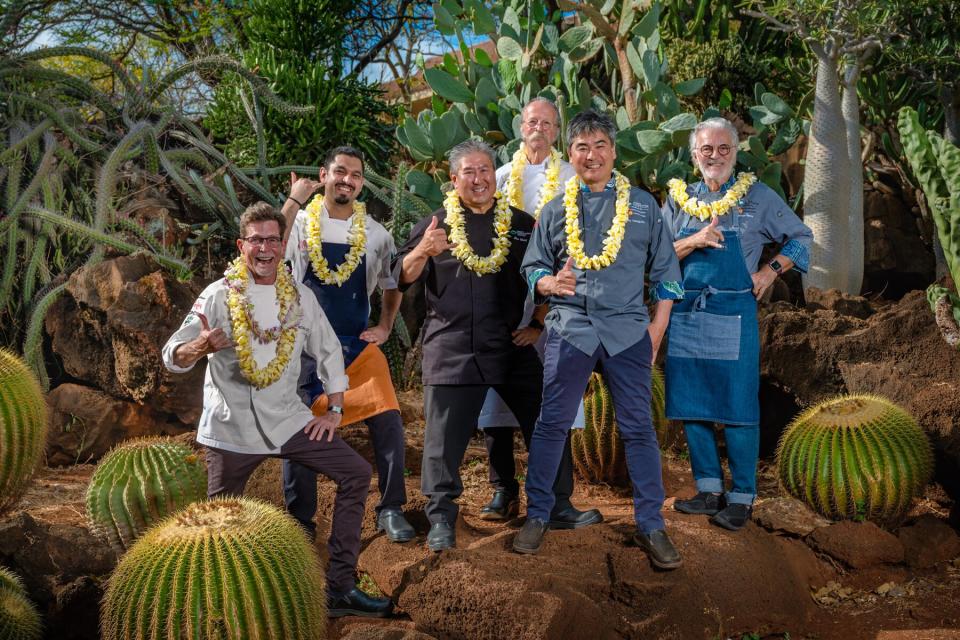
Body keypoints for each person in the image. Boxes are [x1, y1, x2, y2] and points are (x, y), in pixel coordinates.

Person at [161, 202, 393, 617]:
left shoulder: (300, 296)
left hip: (289, 420)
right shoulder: (216, 296)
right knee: (218, 524)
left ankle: (340, 587)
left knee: (356, 473)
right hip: (231, 429)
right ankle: (219, 607)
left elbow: (327, 351)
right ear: (241, 245)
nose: (265, 248)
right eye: (256, 240)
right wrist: (200, 346)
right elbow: (172, 355)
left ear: (284, 245)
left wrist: (334, 410)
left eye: (272, 239)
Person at [393, 139, 600, 552]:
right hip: (452, 347)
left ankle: (557, 505)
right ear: (453, 181)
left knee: (547, 419)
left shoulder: (522, 223)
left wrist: (539, 323)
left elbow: (549, 270)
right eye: (468, 172)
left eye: (485, 170)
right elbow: (400, 277)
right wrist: (422, 250)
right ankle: (441, 519)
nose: (479, 179)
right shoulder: (435, 225)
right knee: (442, 441)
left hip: (509, 342)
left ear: (495, 174)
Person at [514, 110, 684, 570]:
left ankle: (651, 525)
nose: (591, 155)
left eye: (600, 146)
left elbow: (668, 274)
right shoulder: (553, 210)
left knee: (638, 429)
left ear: (613, 151)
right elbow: (531, 267)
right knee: (551, 425)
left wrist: (656, 330)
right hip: (569, 331)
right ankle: (538, 515)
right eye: (581, 148)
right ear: (570, 155)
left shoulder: (645, 206)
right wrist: (548, 285)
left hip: (628, 332)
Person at [663, 117, 813, 531]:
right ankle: (709, 491)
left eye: (723, 148)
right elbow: (656, 256)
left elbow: (801, 237)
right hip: (687, 311)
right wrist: (692, 240)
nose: (715, 156)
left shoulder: (760, 198)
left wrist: (769, 273)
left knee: (739, 407)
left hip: (734, 312)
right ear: (695, 155)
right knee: (691, 405)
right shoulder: (677, 200)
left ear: (735, 152)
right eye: (706, 149)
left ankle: (742, 496)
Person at [281, 147, 414, 544]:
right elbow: (273, 241)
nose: (347, 180)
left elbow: (394, 283)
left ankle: (390, 508)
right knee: (300, 427)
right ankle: (300, 521)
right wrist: (293, 201)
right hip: (307, 347)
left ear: (361, 183)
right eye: (340, 171)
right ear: (324, 174)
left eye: (355, 174)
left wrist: (386, 326)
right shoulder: (303, 222)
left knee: (389, 419)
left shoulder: (376, 233)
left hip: (356, 345)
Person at [477, 97, 579, 521]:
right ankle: (504, 489)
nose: (538, 128)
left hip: (557, 309)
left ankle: (558, 496)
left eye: (547, 123)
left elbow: (576, 251)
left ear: (556, 132)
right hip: (505, 307)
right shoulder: (498, 178)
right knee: (493, 403)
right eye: (532, 121)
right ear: (521, 127)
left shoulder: (572, 179)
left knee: (555, 402)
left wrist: (543, 315)